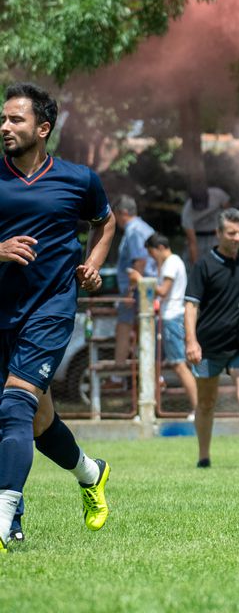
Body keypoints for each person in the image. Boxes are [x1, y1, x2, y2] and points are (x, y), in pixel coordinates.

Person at [0, 82, 116, 551]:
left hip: (50, 309)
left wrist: (93, 265)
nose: (5, 126)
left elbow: (105, 223)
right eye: (3, 119)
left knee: (15, 407)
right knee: (34, 420)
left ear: (43, 128)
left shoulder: (79, 179)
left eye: (15, 119)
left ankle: (6, 519)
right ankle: (91, 473)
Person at [184, 208, 239, 469]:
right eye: (231, 233)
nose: (237, 238)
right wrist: (191, 341)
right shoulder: (204, 265)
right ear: (218, 233)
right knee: (207, 403)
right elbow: (191, 306)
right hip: (209, 345)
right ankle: (203, 457)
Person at [132, 234, 197, 415]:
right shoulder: (169, 263)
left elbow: (162, 291)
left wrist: (140, 280)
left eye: (152, 253)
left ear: (160, 247)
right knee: (156, 363)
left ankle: (199, 409)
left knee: (179, 365)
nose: (152, 257)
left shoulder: (172, 262)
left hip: (172, 318)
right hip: (168, 318)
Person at [112, 194, 155, 386]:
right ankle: (128, 375)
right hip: (141, 291)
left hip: (138, 292)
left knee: (125, 326)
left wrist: (130, 291)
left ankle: (117, 373)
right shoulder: (142, 227)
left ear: (123, 213)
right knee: (138, 330)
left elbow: (140, 260)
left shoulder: (134, 230)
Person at [181, 185, 231, 266]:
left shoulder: (218, 194)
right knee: (191, 264)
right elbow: (192, 243)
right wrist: (196, 269)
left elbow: (229, 213)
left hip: (216, 235)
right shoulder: (187, 212)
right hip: (198, 237)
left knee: (219, 263)